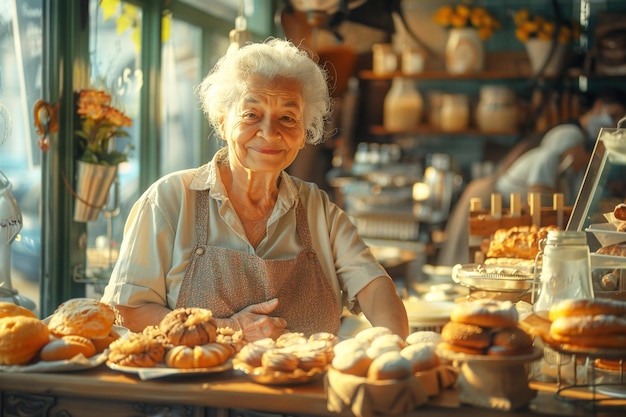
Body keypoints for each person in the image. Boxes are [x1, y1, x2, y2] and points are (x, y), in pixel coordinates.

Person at [100, 38, 408, 341]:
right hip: (197, 390)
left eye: (287, 118)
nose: (270, 132)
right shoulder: (169, 199)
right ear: (222, 122)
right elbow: (126, 310)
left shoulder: (317, 208)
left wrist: (394, 347)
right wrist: (227, 329)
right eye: (251, 115)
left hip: (300, 389)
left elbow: (375, 286)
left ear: (303, 134)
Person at [437, 88, 626, 267]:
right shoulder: (548, 159)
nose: (583, 157)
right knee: (462, 257)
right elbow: (541, 208)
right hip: (487, 198)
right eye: (580, 151)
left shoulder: (562, 170)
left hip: (503, 207)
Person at [494, 89, 626, 206]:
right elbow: (540, 203)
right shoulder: (566, 137)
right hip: (507, 206)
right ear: (598, 106)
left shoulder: (569, 169)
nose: (613, 125)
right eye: (613, 116)